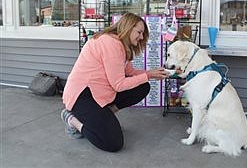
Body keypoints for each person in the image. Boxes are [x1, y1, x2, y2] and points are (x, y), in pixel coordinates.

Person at [61, 12, 169, 152]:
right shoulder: (110, 43)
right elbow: (118, 84)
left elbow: (129, 73)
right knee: (113, 143)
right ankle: (72, 120)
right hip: (83, 95)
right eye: (139, 32)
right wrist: (148, 75)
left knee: (142, 87)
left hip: (101, 93)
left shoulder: (123, 45)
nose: (141, 37)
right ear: (128, 27)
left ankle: (107, 113)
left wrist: (153, 74)